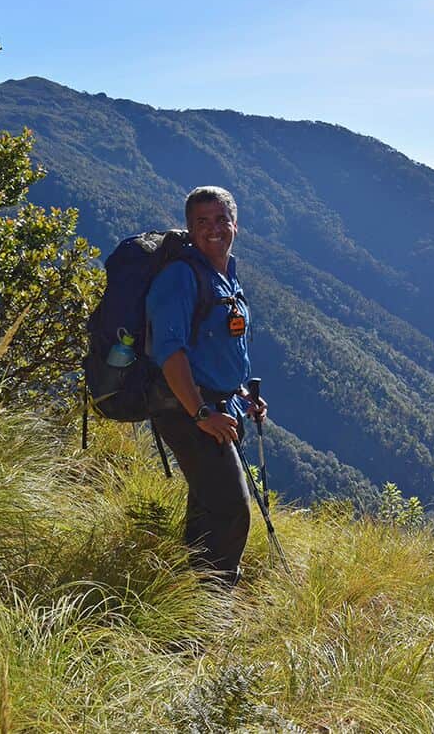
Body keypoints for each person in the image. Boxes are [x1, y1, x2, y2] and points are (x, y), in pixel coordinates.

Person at [147, 185, 266, 585]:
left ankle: (187, 595)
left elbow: (221, 346)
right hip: (189, 411)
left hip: (221, 408)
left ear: (236, 224)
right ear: (189, 229)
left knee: (206, 505)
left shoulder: (226, 274)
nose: (213, 229)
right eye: (202, 222)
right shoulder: (181, 277)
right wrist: (201, 413)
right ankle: (214, 605)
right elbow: (170, 352)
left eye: (220, 220)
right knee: (233, 507)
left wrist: (243, 395)